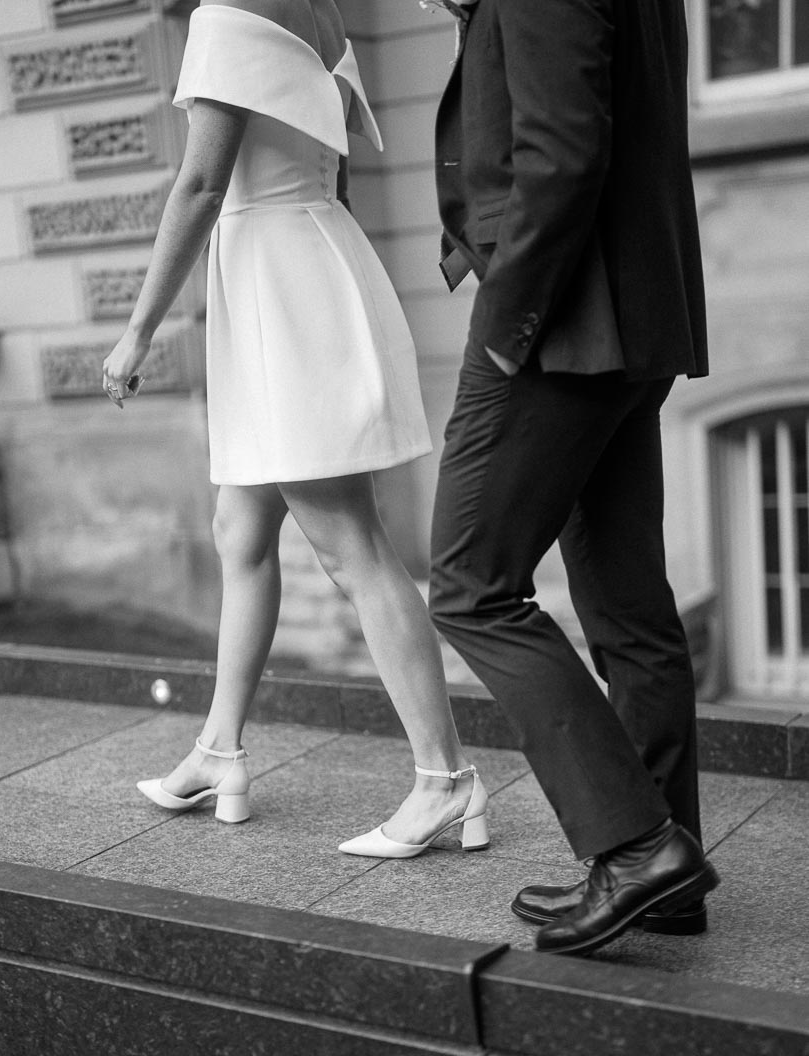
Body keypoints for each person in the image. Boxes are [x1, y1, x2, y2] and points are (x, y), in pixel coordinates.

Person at [102, 0, 489, 859]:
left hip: (278, 291)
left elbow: (202, 186)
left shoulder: (224, 14)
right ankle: (219, 751)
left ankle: (447, 780)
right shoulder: (324, 12)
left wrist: (137, 331)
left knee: (353, 546)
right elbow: (329, 174)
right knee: (239, 529)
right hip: (310, 264)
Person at [426, 0, 719, 956]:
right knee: (628, 609)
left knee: (470, 588)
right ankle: (661, 883)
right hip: (630, 307)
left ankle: (637, 847)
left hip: (559, 320)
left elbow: (561, 152)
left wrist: (506, 324)